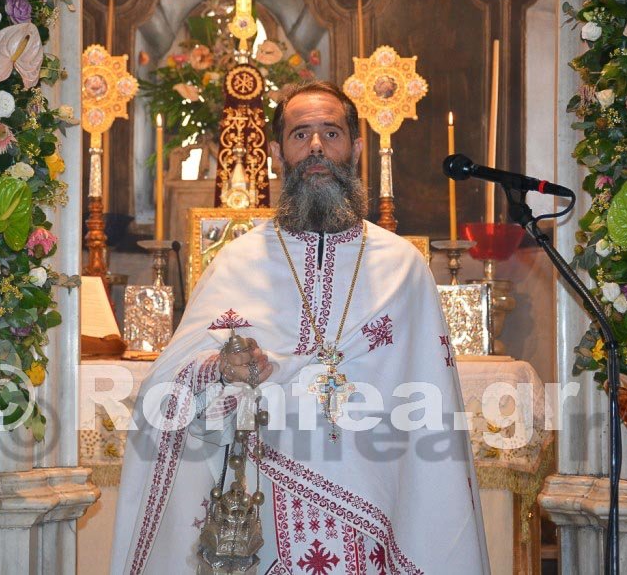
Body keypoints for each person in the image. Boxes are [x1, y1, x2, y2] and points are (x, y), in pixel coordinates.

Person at [111, 81, 488, 574]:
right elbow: (166, 388)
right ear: (277, 154)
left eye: (331, 133)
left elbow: (431, 407)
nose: (315, 147)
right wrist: (220, 369)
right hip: (265, 504)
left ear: (356, 149)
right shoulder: (238, 262)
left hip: (380, 505)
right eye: (299, 134)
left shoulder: (403, 268)